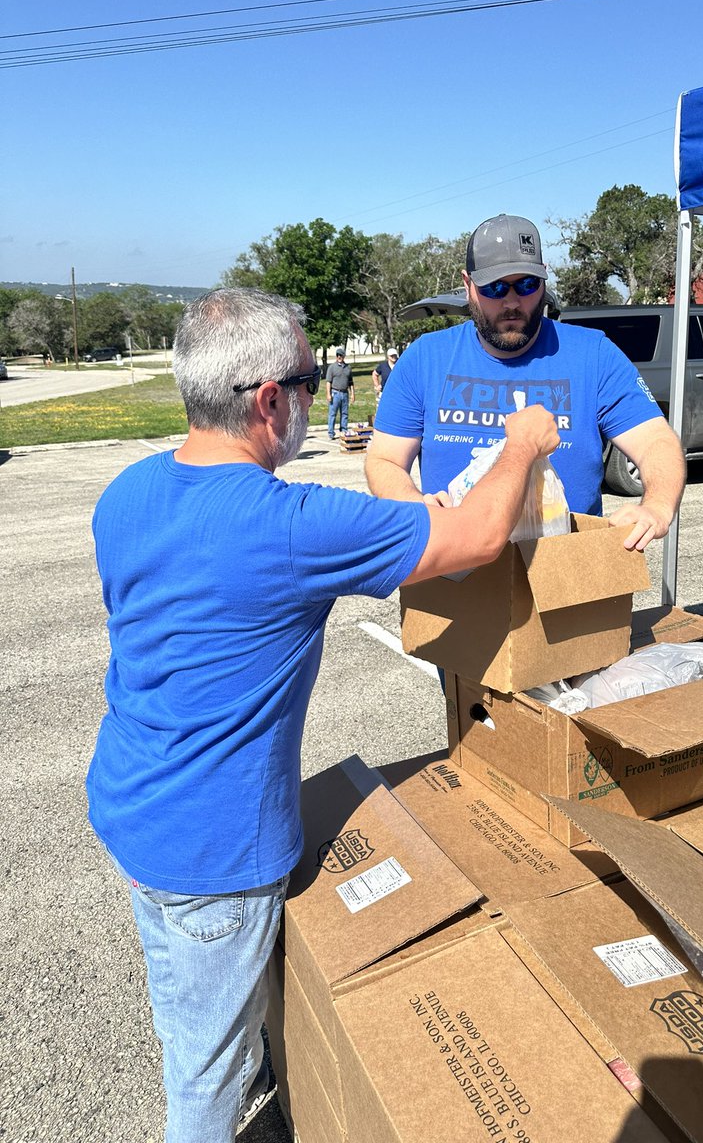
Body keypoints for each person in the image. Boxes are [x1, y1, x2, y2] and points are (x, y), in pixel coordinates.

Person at [86, 287, 559, 1143]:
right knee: (207, 1084)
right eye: (311, 378)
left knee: (186, 1008)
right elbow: (481, 541)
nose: (318, 394)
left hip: (130, 802)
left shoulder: (128, 492)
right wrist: (523, 442)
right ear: (270, 399)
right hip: (215, 851)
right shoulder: (294, 524)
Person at [365, 213, 685, 552]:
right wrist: (415, 506)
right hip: (456, 571)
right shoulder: (425, 359)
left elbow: (655, 442)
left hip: (565, 572)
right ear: (467, 285)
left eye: (528, 285)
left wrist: (657, 506)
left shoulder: (594, 355)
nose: (513, 302)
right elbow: (384, 460)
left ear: (544, 279)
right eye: (495, 288)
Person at [325, 346, 354, 438]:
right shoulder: (332, 367)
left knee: (344, 413)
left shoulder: (348, 368)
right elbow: (328, 382)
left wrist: (353, 394)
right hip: (335, 393)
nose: (339, 357)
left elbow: (351, 382)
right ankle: (331, 433)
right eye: (338, 355)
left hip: (345, 393)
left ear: (344, 356)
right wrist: (328, 394)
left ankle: (344, 430)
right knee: (333, 414)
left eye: (341, 355)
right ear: (336, 356)